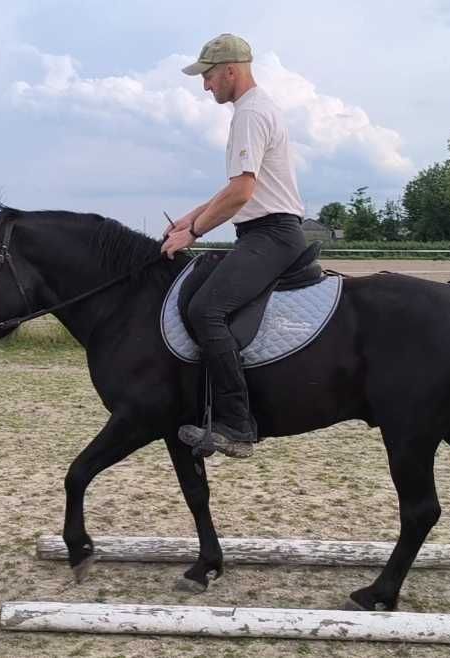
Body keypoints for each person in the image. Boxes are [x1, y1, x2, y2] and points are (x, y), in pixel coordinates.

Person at [161, 33, 307, 458]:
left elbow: (243, 192)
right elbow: (237, 190)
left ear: (230, 70)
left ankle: (238, 423)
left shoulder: (250, 113)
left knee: (206, 310)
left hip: (273, 235)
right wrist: (192, 216)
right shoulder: (253, 110)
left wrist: (195, 233)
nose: (205, 85)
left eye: (207, 76)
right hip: (262, 231)